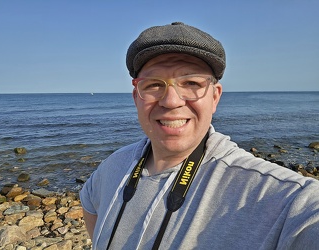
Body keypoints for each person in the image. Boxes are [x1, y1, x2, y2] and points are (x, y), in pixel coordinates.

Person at [80, 22, 319, 249]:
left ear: (215, 97)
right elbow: (89, 202)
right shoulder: (113, 166)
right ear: (136, 97)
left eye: (191, 82)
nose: (171, 101)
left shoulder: (278, 196)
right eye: (153, 84)